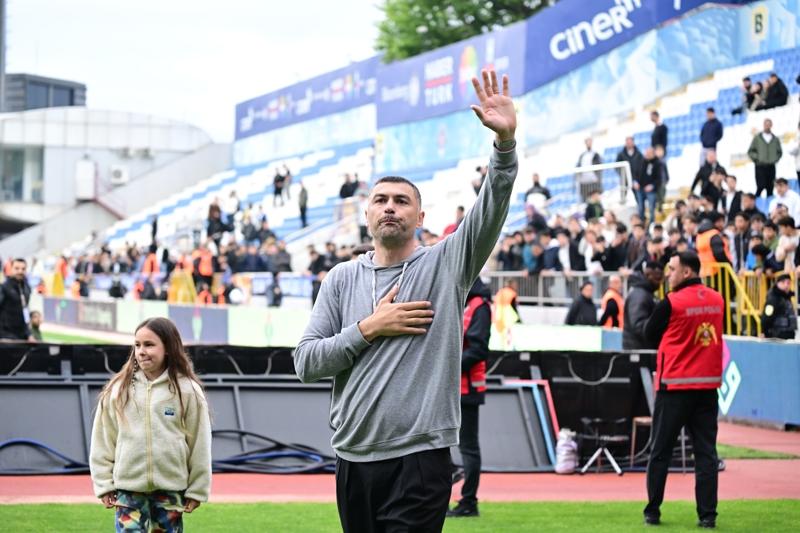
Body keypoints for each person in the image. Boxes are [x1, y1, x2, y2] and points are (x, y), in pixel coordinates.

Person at [293, 69, 518, 532]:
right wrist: (367, 329)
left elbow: (491, 208)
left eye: (401, 200)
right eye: (380, 200)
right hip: (352, 455)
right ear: (367, 214)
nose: (390, 207)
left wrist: (504, 145)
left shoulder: (446, 264)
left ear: (420, 216)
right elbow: (306, 363)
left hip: (420, 457)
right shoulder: (340, 279)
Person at [89, 317, 212, 532]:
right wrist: (104, 484)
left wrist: (197, 488)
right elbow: (103, 440)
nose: (141, 351)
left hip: (170, 491)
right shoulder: (118, 389)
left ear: (168, 348)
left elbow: (199, 443)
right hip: (128, 491)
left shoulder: (188, 390)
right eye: (137, 345)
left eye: (149, 345)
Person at [642, 252, 724, 529]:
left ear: (686, 272)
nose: (668, 274)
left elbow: (649, 333)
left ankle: (653, 510)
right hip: (707, 388)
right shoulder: (718, 299)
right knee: (706, 454)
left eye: (672, 269)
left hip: (675, 386)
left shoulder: (671, 302)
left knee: (660, 451)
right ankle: (707, 515)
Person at [447, 278, 492, 518]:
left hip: (467, 388)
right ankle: (457, 490)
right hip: (455, 387)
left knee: (468, 448)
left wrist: (448, 368)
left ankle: (469, 502)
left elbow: (478, 349)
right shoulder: (468, 304)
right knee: (444, 443)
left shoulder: (479, 306)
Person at [622, 262, 664, 350]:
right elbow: (638, 325)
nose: (660, 282)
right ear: (648, 275)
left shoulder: (646, 293)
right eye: (657, 278)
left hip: (641, 348)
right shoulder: (639, 295)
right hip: (639, 350)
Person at [0, 258, 34, 341]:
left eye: (23, 269)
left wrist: (29, 334)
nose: (20, 271)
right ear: (11, 269)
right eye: (17, 268)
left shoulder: (27, 288)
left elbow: (25, 312)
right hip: (5, 335)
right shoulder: (4, 287)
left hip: (22, 336)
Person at [748, 118, 783, 198]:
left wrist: (775, 159)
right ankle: (755, 202)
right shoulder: (757, 138)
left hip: (771, 166)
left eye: (769, 125)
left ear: (771, 125)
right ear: (763, 125)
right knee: (760, 186)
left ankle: (769, 204)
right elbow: (750, 151)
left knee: (770, 188)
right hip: (760, 166)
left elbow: (779, 152)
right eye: (766, 124)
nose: (767, 126)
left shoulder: (775, 139)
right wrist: (758, 159)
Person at [760, 273, 797, 340]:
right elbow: (767, 316)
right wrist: (763, 332)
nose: (786, 285)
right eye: (783, 282)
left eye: (788, 283)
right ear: (777, 283)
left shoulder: (787, 297)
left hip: (788, 334)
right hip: (776, 336)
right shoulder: (773, 299)